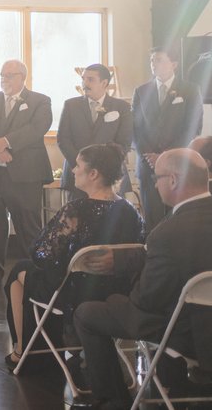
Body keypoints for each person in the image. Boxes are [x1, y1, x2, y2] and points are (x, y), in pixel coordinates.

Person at [74, 148, 212, 409]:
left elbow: (147, 301)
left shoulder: (168, 232)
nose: (154, 184)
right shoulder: (172, 230)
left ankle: (113, 400)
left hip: (187, 335)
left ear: (172, 180)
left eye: (156, 177)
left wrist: (117, 299)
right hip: (203, 326)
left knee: (88, 313)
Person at [2, 144, 144, 370]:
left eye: (78, 166)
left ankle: (24, 352)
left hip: (75, 293)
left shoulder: (76, 210)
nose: (73, 170)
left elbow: (41, 254)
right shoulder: (130, 210)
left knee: (19, 271)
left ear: (93, 173)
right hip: (118, 290)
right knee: (29, 268)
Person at [0, 59, 54, 290]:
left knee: (28, 224)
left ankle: (37, 272)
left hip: (26, 174)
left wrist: (6, 143)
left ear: (22, 77)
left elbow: (38, 128)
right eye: (2, 75)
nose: (4, 79)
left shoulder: (40, 101)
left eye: (9, 75)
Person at [132, 46, 203, 232]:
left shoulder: (190, 90)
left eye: (159, 60)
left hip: (177, 166)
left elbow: (193, 126)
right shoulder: (141, 91)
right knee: (152, 222)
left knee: (177, 218)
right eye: (152, 60)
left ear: (174, 64)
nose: (153, 64)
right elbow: (135, 130)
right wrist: (149, 156)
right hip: (148, 165)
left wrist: (165, 157)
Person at [56, 64, 133, 201]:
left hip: (108, 175)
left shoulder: (121, 107)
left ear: (104, 83)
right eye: (83, 79)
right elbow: (63, 139)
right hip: (77, 174)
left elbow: (124, 141)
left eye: (90, 79)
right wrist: (82, 167)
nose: (85, 83)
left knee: (110, 220)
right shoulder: (71, 105)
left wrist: (103, 167)